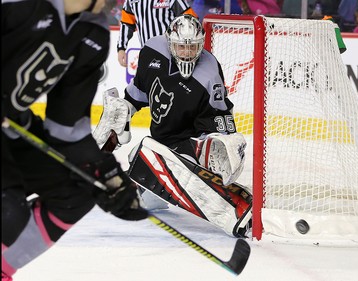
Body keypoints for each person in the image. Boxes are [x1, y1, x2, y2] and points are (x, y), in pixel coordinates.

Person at [1, 1, 149, 280]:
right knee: (8, 209)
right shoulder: (17, 6)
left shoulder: (93, 33)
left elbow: (66, 124)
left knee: (75, 193)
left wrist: (105, 172)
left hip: (11, 125)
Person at [93, 15, 251, 237]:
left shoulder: (209, 72)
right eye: (181, 47)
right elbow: (138, 93)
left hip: (190, 141)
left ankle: (231, 205)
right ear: (169, 42)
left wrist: (218, 145)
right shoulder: (152, 51)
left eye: (193, 47)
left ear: (201, 44)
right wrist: (124, 109)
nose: (187, 53)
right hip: (161, 141)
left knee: (149, 156)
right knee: (139, 171)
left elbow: (220, 116)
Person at [117, 0, 197, 67]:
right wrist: (121, 48)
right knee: (149, 84)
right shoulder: (131, 1)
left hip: (172, 55)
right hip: (147, 54)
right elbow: (126, 24)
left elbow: (191, 20)